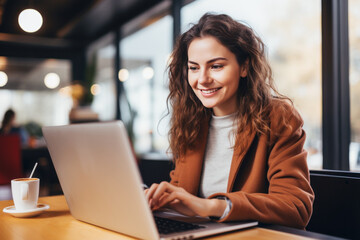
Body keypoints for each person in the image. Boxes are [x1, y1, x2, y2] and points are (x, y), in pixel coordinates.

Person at [145, 13, 314, 229]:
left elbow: (296, 207)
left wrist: (211, 207)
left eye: (216, 66)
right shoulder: (191, 120)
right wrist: (159, 198)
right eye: (194, 68)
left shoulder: (278, 117)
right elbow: (182, 191)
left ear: (244, 67)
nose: (203, 79)